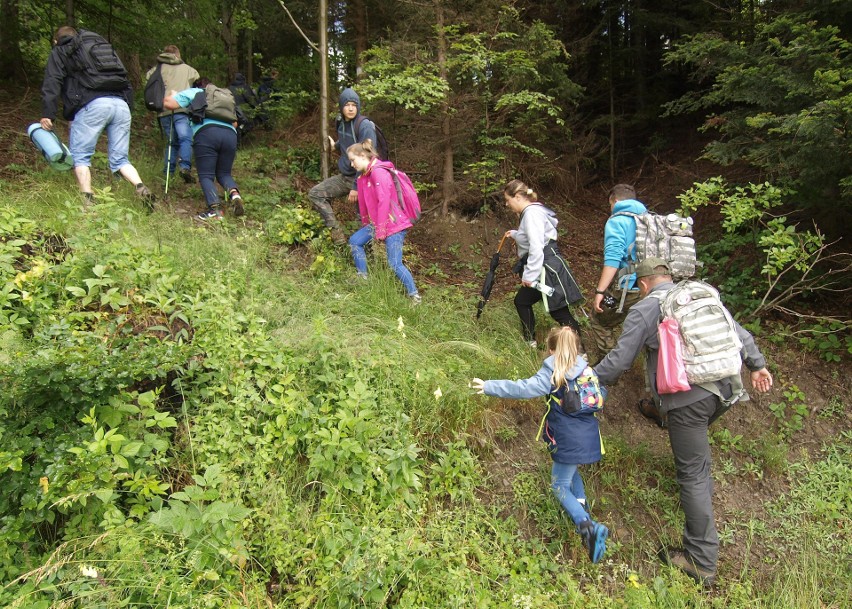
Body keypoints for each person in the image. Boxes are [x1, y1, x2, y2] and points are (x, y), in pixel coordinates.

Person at [593, 258, 774, 587]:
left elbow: (619, 362)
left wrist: (585, 377)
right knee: (695, 451)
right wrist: (757, 365)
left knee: (692, 473)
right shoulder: (698, 293)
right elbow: (739, 333)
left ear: (644, 283)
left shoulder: (647, 308)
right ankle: (671, 427)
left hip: (689, 399)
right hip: (727, 389)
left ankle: (700, 561)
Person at [471, 326, 609, 563]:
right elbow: (601, 394)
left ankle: (588, 527)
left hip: (567, 437)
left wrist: (489, 386)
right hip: (589, 436)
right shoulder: (587, 369)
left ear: (551, 349)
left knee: (559, 485)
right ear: (576, 348)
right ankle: (582, 511)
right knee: (571, 472)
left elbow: (523, 388)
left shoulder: (553, 372)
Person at [40, 26, 154, 207]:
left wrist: (48, 114)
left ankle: (87, 201)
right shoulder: (100, 48)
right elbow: (124, 79)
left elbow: (52, 81)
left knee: (80, 157)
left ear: (57, 40)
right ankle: (140, 187)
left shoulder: (62, 50)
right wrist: (128, 108)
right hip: (121, 105)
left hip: (92, 105)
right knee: (120, 159)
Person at [503, 180, 582, 347]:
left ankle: (580, 354)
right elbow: (533, 236)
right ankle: (530, 344)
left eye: (508, 200)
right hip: (546, 265)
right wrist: (516, 234)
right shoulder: (533, 211)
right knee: (522, 301)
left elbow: (537, 245)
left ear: (517, 197)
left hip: (546, 268)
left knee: (559, 312)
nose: (506, 204)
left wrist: (529, 275)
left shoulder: (531, 213)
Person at [346, 140, 420, 304]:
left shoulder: (379, 172)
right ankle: (362, 277)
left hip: (394, 225)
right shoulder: (365, 175)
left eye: (353, 160)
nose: (351, 164)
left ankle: (414, 296)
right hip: (378, 223)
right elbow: (366, 203)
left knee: (394, 264)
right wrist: (368, 225)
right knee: (355, 242)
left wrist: (380, 230)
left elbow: (384, 201)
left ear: (363, 156)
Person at [163, 78, 245, 221]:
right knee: (224, 173)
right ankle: (235, 195)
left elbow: (169, 104)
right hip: (230, 135)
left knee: (206, 175)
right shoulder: (225, 99)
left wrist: (172, 93)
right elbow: (235, 123)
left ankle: (215, 210)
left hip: (207, 134)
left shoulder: (195, 92)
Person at [309, 88, 377, 244]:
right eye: (347, 105)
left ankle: (370, 257)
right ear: (341, 106)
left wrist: (356, 186)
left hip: (364, 181)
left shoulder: (365, 126)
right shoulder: (341, 122)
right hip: (345, 176)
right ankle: (337, 233)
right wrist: (336, 146)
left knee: (364, 220)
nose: (351, 108)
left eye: (354, 105)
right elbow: (349, 145)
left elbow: (369, 157)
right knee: (315, 194)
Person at [589, 183, 649, 358]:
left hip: (631, 286)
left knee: (599, 320)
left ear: (613, 201)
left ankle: (611, 370)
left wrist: (600, 291)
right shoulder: (650, 219)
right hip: (656, 286)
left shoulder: (617, 221)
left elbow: (612, 260)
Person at [145, 45, 200, 183]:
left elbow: (148, 81)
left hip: (163, 110)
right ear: (177, 55)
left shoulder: (155, 70)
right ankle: (185, 166)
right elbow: (197, 81)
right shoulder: (188, 69)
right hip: (182, 109)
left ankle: (167, 174)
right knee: (185, 138)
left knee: (171, 142)